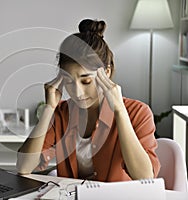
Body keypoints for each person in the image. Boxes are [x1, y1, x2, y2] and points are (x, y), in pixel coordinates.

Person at [16, 19, 160, 182]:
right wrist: (49, 109)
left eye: (86, 81)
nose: (77, 92)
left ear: (106, 72)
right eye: (68, 81)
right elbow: (23, 167)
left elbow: (144, 176)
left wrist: (119, 111)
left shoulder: (138, 112)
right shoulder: (62, 113)